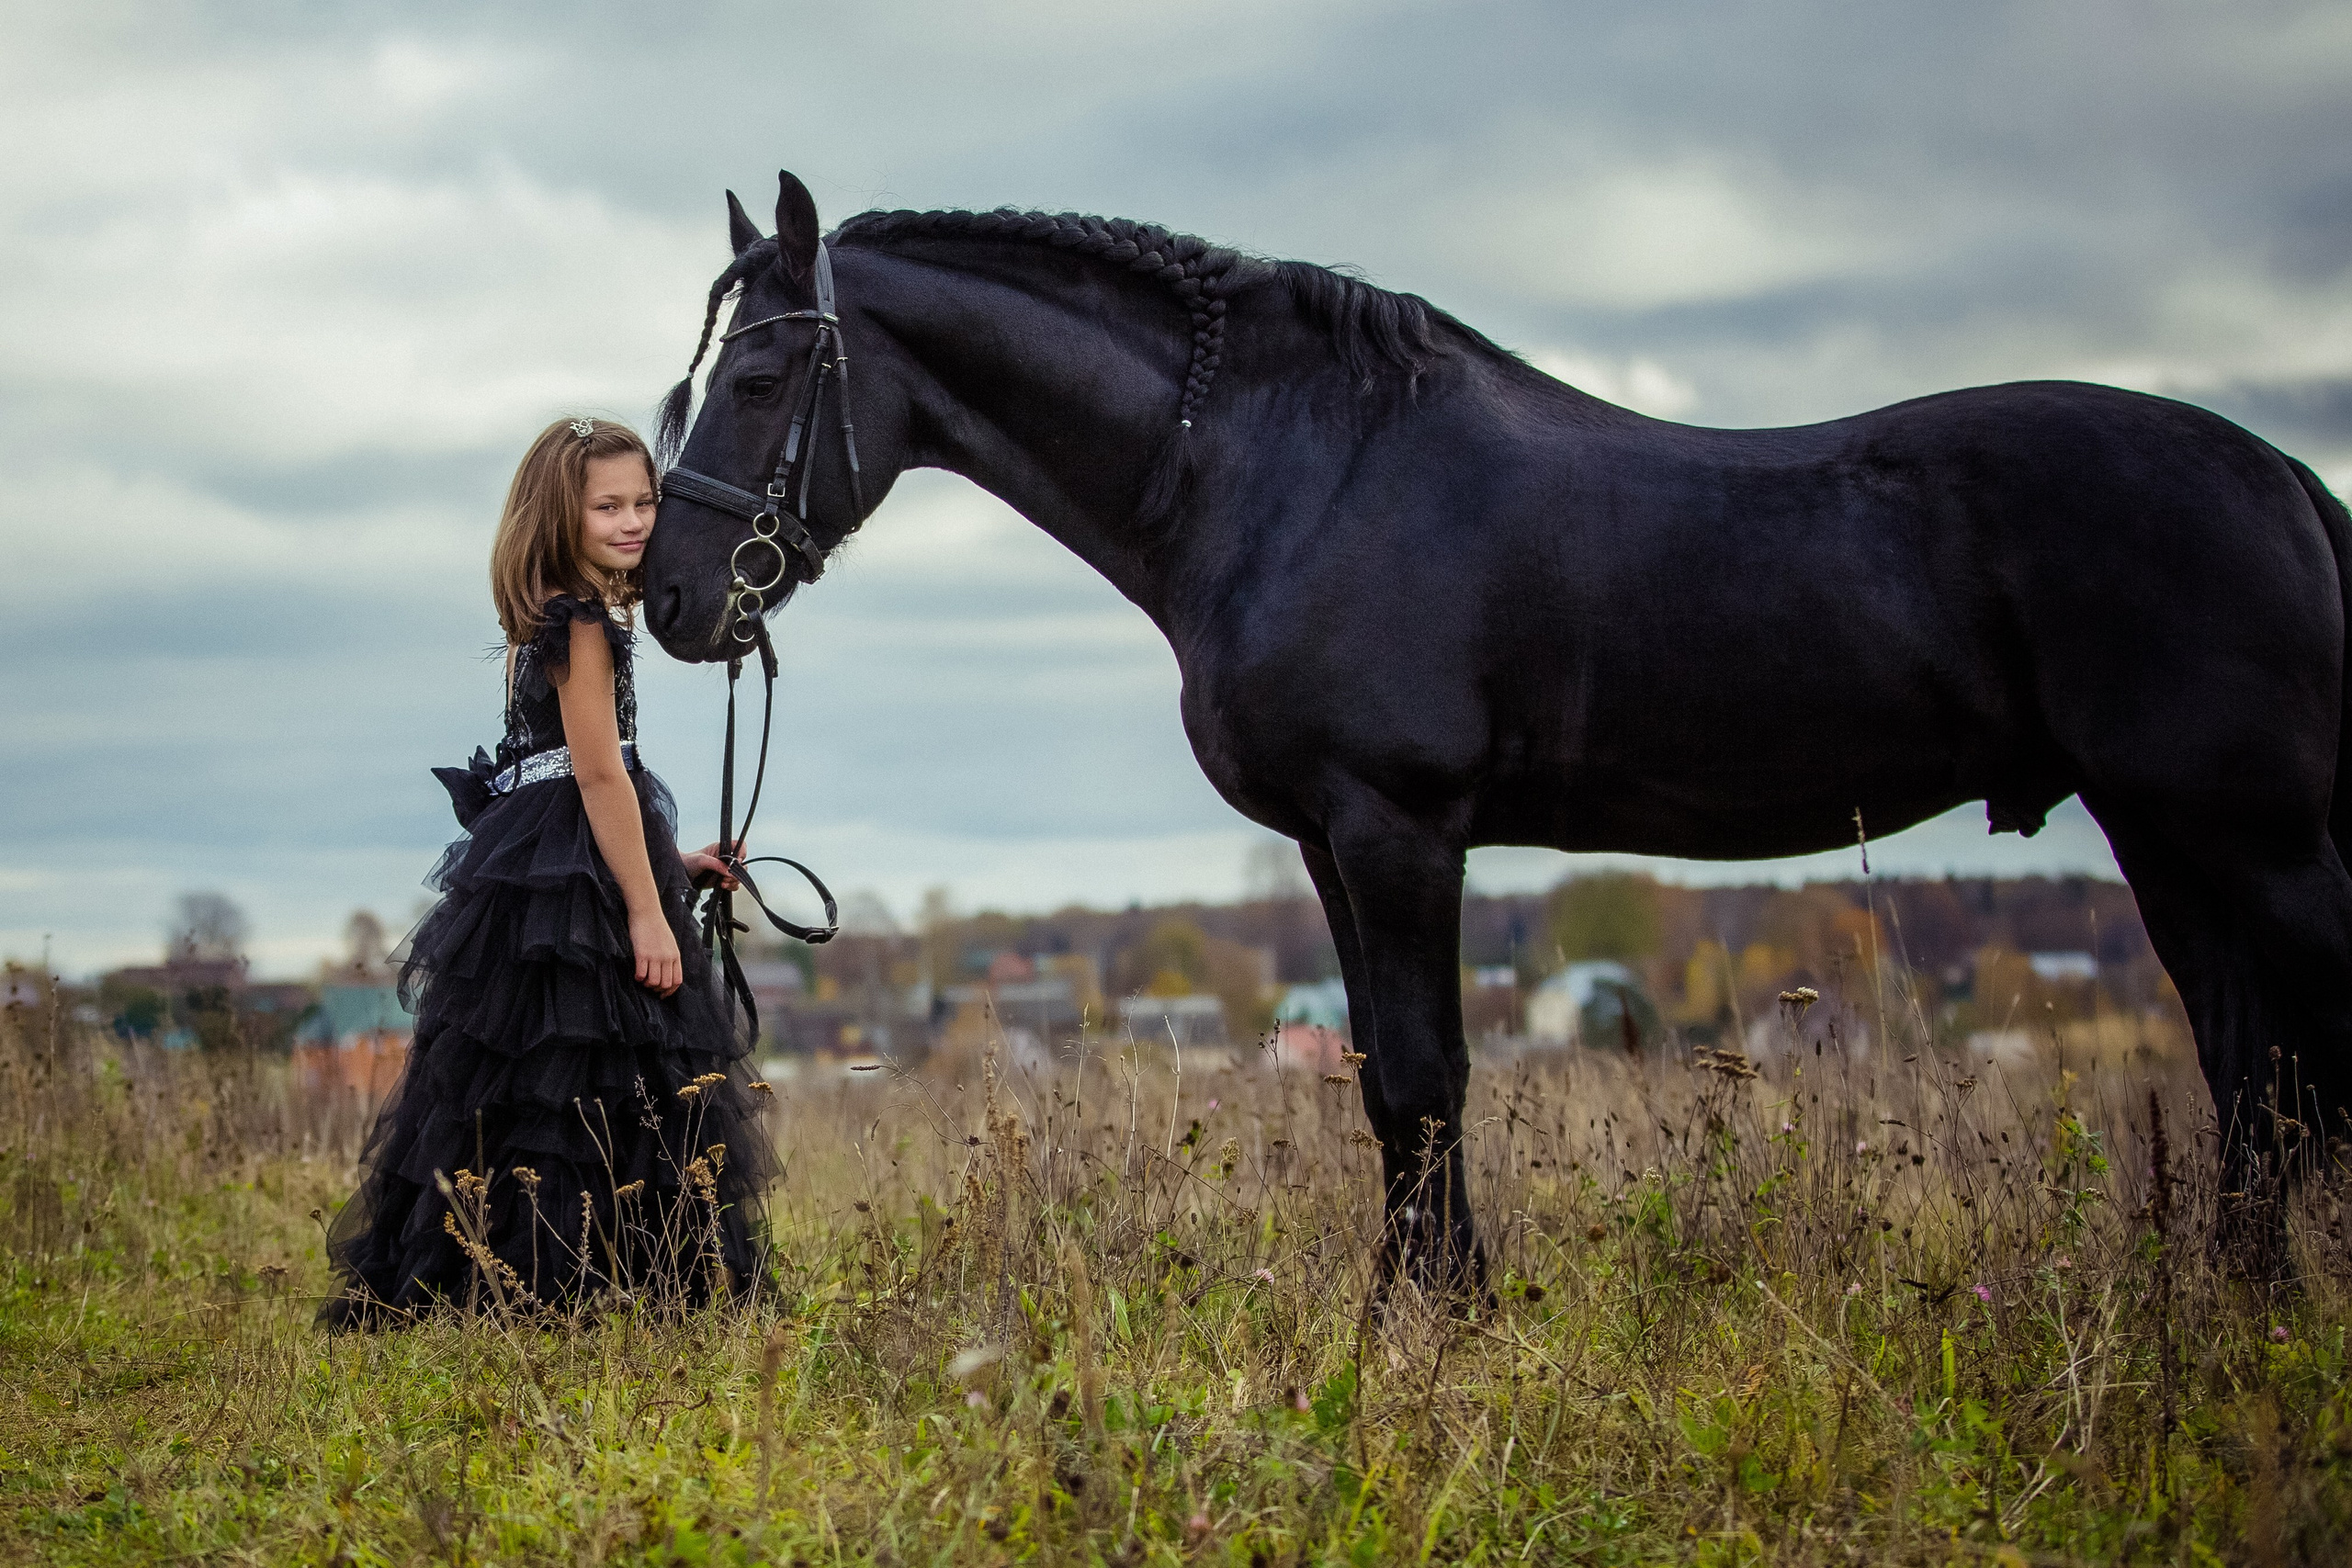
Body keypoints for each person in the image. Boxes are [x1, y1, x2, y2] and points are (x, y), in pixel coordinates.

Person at [322, 417, 776, 1328]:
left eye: (644, 502)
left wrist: (670, 862)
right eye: (607, 505)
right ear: (555, 515)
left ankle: (539, 1277)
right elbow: (599, 774)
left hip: (550, 850)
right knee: (588, 1071)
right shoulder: (585, 628)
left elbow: (562, 773)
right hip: (569, 856)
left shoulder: (560, 618)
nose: (634, 521)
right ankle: (570, 1280)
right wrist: (650, 913)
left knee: (542, 1074)